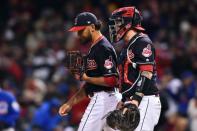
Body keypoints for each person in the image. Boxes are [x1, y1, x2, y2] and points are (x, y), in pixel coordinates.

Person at [59, 12, 121, 131]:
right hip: (107, 98)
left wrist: (85, 77)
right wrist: (70, 104)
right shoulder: (95, 48)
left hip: (104, 98)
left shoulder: (103, 47)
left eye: (81, 30)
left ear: (92, 27)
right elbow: (89, 87)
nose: (78, 34)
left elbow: (112, 80)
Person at [108, 6, 161, 131]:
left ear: (128, 23)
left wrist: (136, 101)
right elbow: (128, 79)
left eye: (118, 22)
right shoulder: (128, 46)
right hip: (133, 100)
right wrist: (125, 99)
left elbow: (146, 73)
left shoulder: (142, 42)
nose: (115, 26)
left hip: (145, 99)